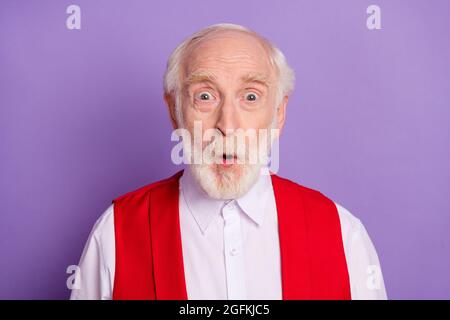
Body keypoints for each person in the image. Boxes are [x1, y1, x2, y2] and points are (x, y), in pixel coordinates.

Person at [70, 23, 387, 300]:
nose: (228, 125)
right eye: (205, 96)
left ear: (278, 113)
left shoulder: (343, 235)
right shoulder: (116, 233)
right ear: (174, 110)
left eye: (250, 97)